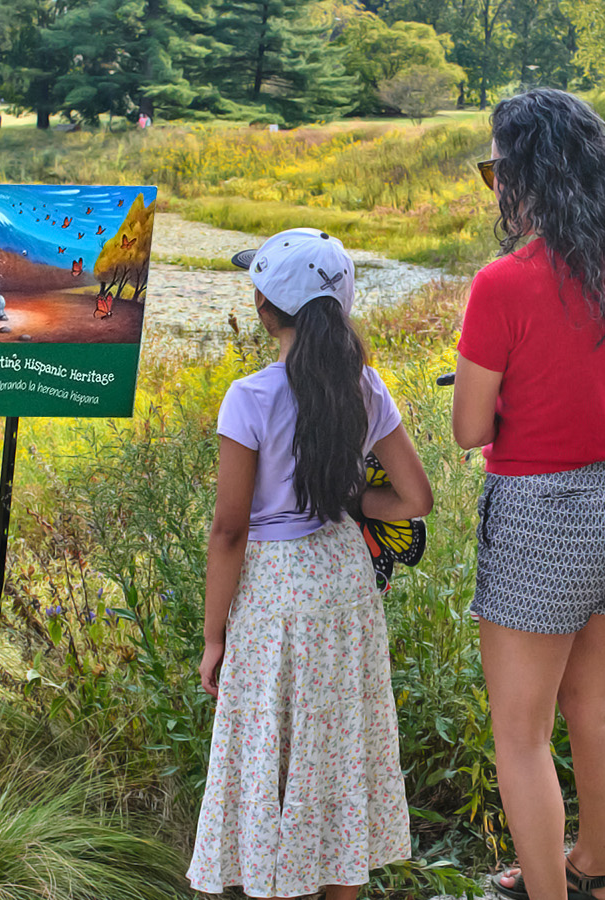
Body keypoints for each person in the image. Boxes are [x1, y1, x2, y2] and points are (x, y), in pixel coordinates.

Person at [453, 89, 605, 900]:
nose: (496, 187)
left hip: (539, 514)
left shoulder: (505, 283)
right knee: (593, 713)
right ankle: (594, 870)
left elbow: (467, 428)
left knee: (520, 737)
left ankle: (546, 893)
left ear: (524, 176)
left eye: (497, 172)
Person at [188, 227, 433, 900]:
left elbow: (229, 530)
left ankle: (278, 880)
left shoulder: (250, 396)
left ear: (266, 311)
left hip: (274, 590)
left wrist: (214, 639)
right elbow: (415, 498)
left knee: (277, 749)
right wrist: (347, 494)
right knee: (334, 751)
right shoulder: (363, 385)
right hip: (342, 578)